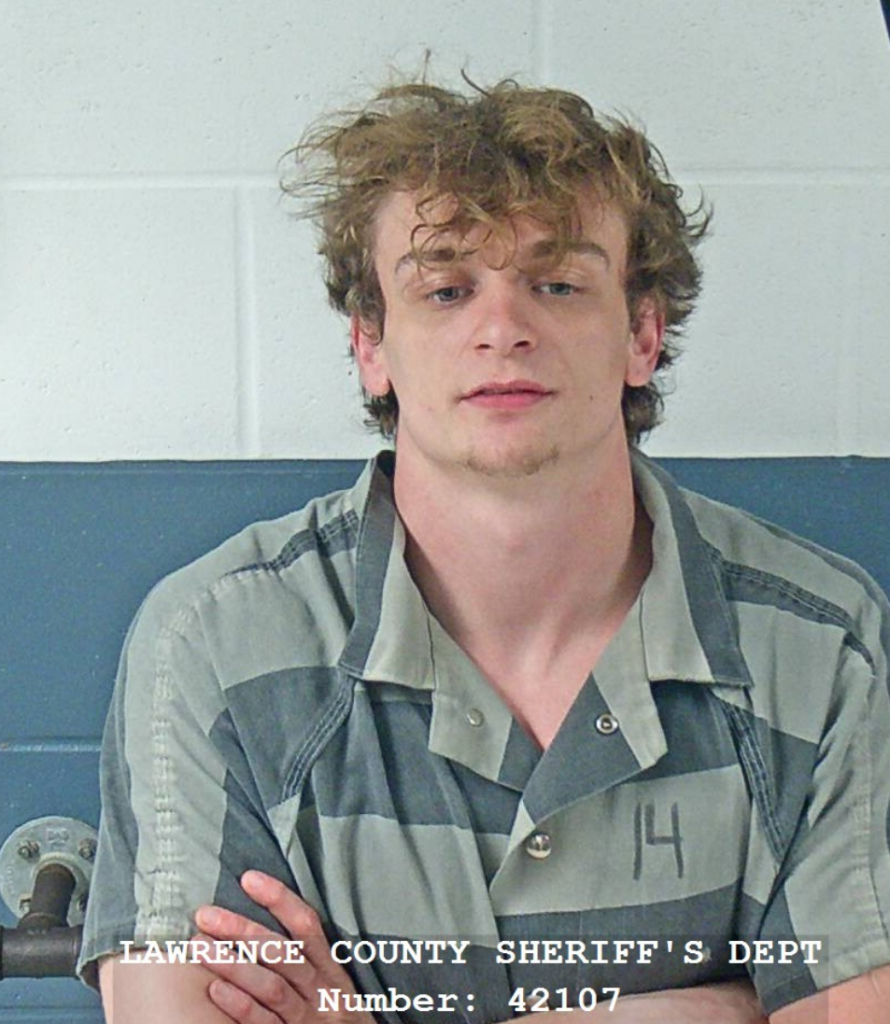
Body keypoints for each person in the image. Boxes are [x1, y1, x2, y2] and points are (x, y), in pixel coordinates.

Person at [78, 78, 890, 1022]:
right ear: (371, 345)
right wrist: (726, 1007)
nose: (503, 329)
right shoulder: (218, 642)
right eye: (446, 289)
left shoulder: (821, 644)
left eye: (557, 283)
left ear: (641, 333)